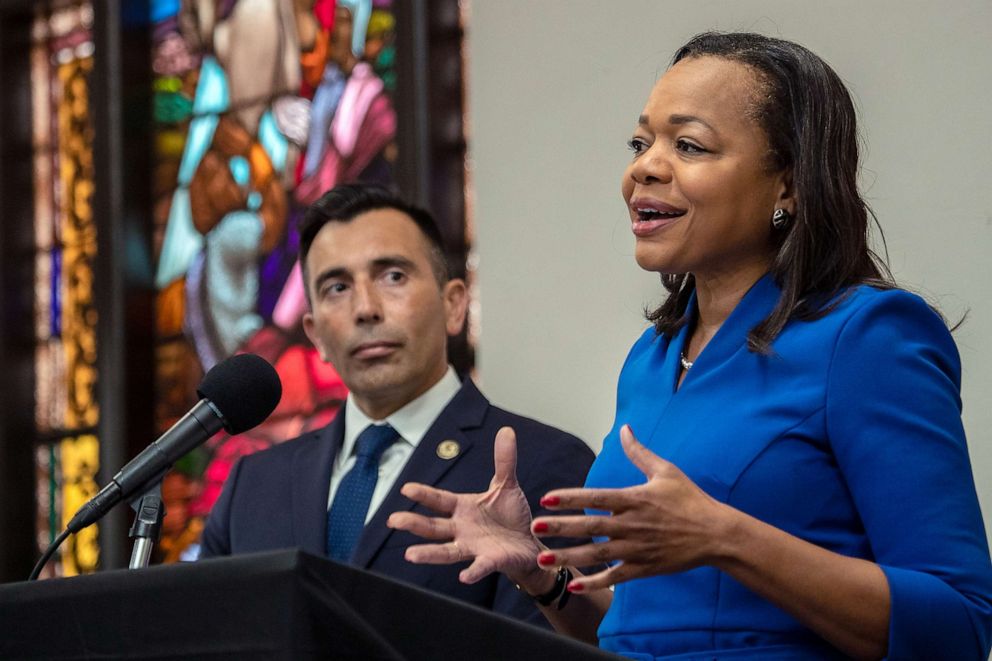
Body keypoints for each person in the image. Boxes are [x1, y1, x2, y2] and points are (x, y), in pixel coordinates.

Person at [387, 31, 992, 660]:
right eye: (641, 142)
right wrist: (541, 576)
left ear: (788, 185)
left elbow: (959, 624)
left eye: (690, 145)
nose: (644, 166)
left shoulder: (868, 337)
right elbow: (639, 629)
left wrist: (727, 537)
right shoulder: (650, 360)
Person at [199, 183, 595, 626]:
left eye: (393, 276)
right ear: (314, 334)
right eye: (336, 287)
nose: (365, 309)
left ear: (454, 306)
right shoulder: (253, 486)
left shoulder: (542, 464)